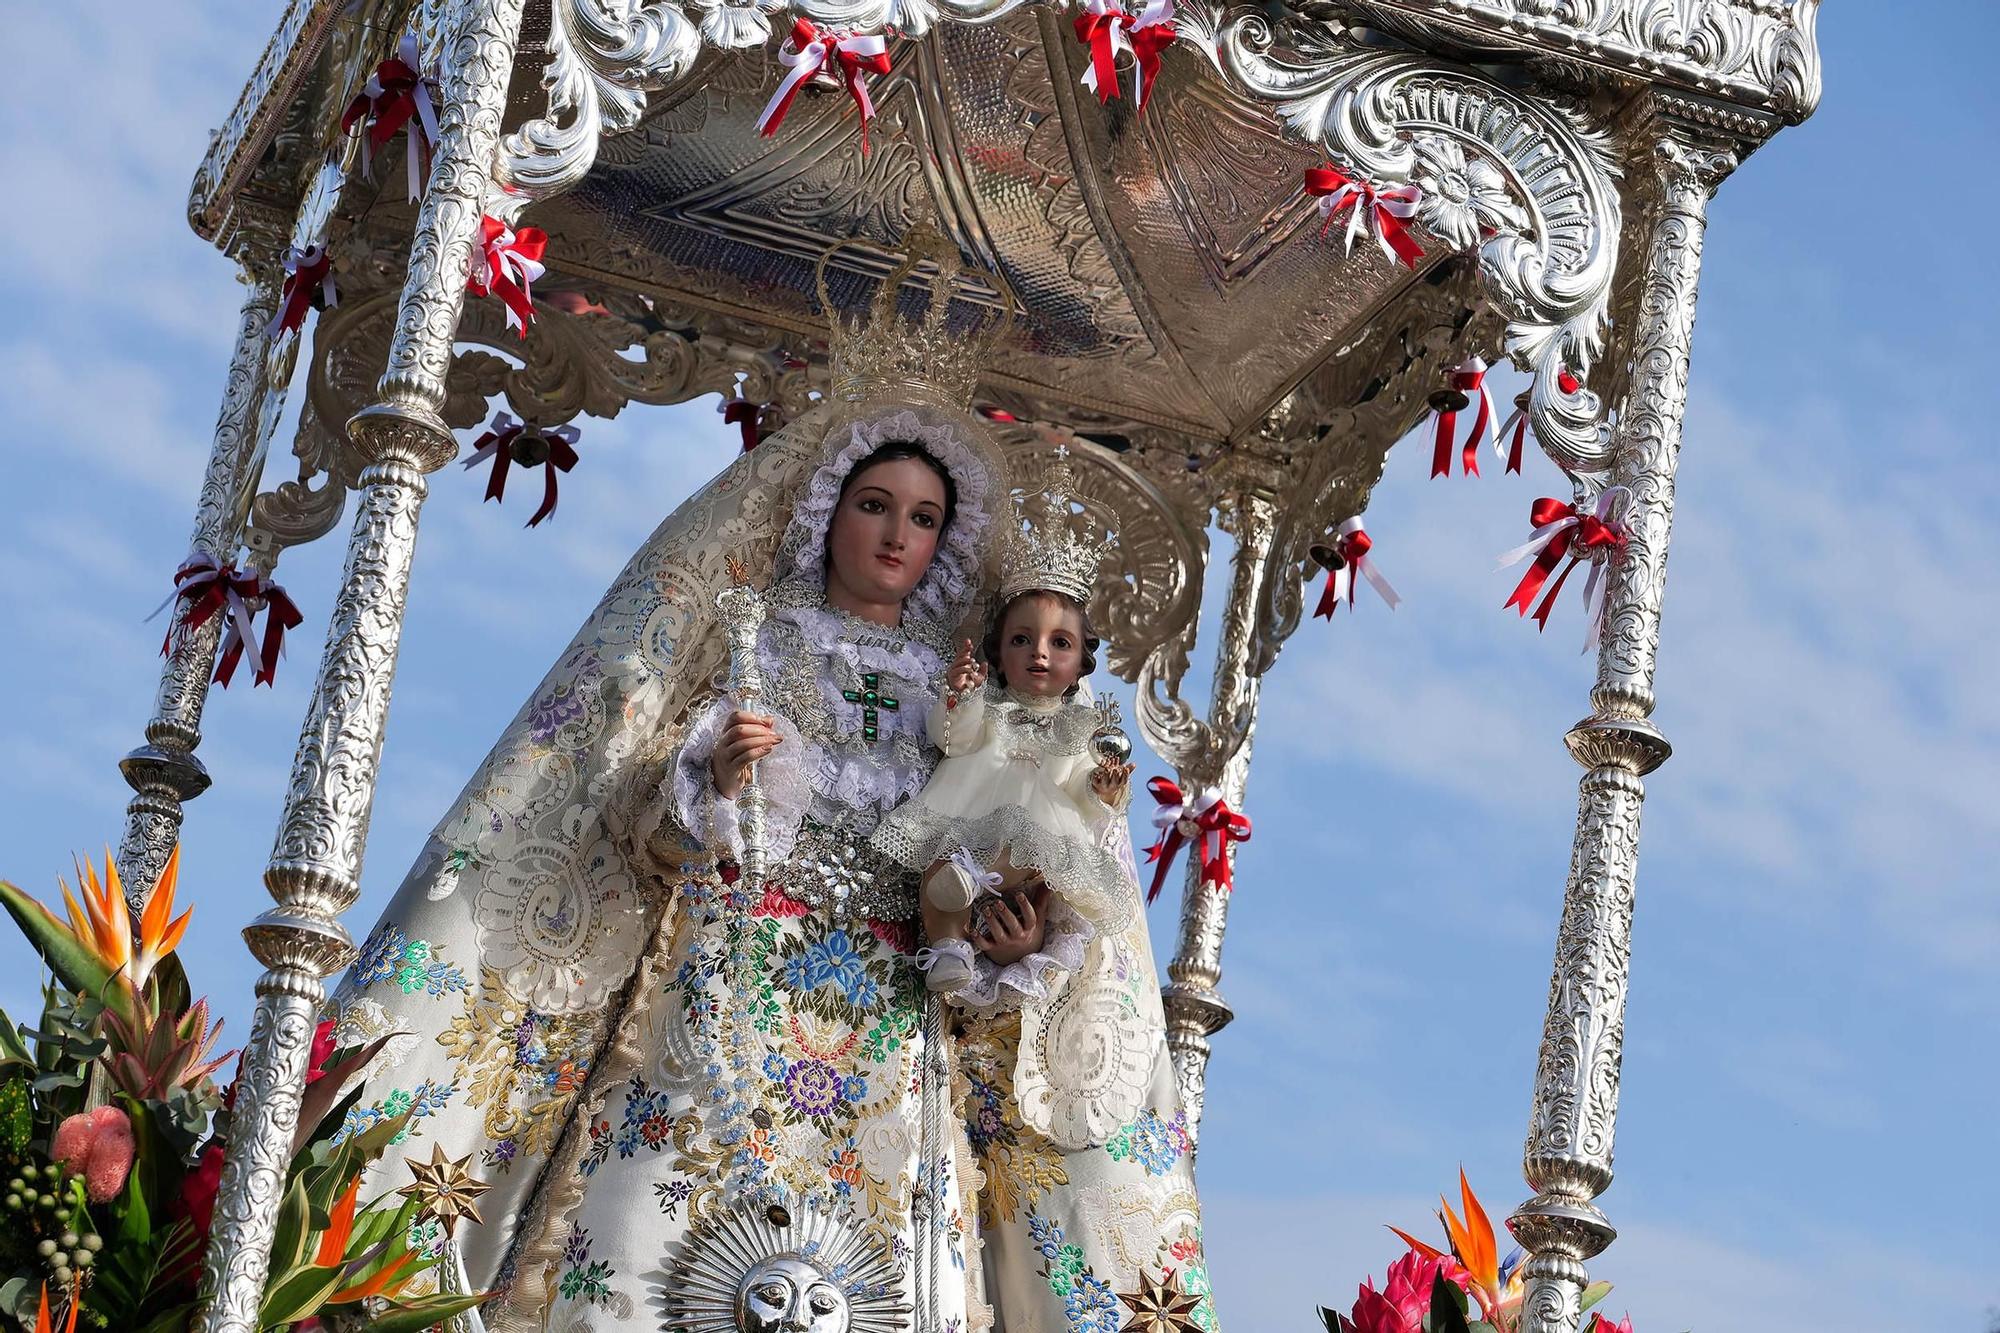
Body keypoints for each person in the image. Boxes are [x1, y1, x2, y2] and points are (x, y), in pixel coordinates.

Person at [318, 232, 1215, 1333]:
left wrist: (1010, 930)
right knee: (654, 1249)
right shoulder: (752, 640)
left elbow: (1001, 848)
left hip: (892, 1017)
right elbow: (647, 830)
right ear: (826, 506)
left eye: (924, 517)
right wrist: (713, 776)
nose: (896, 535)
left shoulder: (970, 695)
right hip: (731, 981)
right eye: (875, 504)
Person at [871, 451, 1138, 1014]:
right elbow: (953, 739)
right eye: (1022, 640)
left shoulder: (1080, 727)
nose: (1039, 653)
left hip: (1031, 841)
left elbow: (1083, 797)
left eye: (1059, 643)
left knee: (1023, 847)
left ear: (1081, 661)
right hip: (965, 815)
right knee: (939, 876)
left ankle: (975, 887)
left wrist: (1103, 791)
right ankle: (947, 948)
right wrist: (960, 697)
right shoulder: (990, 704)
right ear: (999, 650)